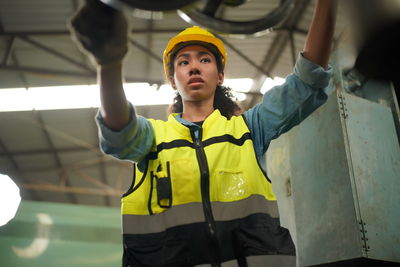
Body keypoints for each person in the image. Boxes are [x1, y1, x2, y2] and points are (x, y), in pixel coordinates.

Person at [69, 0, 336, 266]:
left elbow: (307, 81)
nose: (194, 67)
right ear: (173, 80)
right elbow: (119, 130)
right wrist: (109, 63)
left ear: (220, 76)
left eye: (205, 60)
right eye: (184, 62)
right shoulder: (153, 139)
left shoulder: (248, 130)